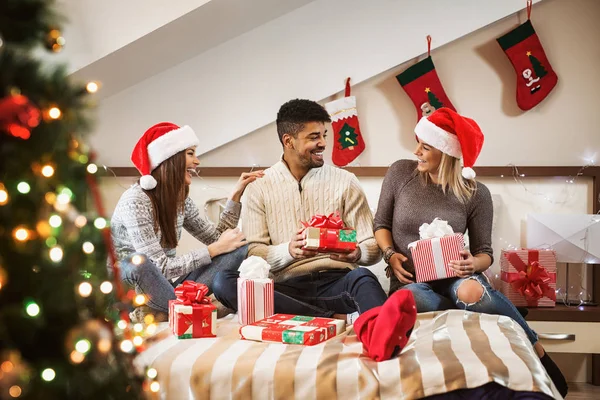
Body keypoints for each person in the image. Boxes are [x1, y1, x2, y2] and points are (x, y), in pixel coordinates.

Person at [373, 107, 567, 397]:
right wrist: (390, 255)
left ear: (446, 152)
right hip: (411, 278)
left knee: (471, 293)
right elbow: (381, 224)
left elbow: (484, 252)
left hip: (454, 276)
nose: (416, 151)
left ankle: (536, 347)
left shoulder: (476, 193)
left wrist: (471, 263)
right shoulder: (400, 173)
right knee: (413, 298)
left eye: (425, 146)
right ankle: (465, 315)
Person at [212, 99, 389, 324]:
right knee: (224, 282)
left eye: (324, 135)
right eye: (314, 137)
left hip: (337, 282)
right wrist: (289, 251)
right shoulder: (259, 187)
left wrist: (357, 253)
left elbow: (372, 246)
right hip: (285, 288)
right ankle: (335, 319)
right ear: (289, 141)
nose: (323, 143)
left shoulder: (346, 181)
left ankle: (383, 328)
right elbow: (254, 252)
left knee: (364, 278)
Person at [110, 122, 263, 322]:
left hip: (162, 289)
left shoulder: (180, 200)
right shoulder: (136, 201)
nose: (197, 161)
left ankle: (163, 312)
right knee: (140, 263)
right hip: (127, 287)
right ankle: (178, 311)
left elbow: (218, 239)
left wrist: (234, 197)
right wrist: (212, 250)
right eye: (191, 153)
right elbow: (159, 267)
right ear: (169, 158)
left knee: (238, 249)